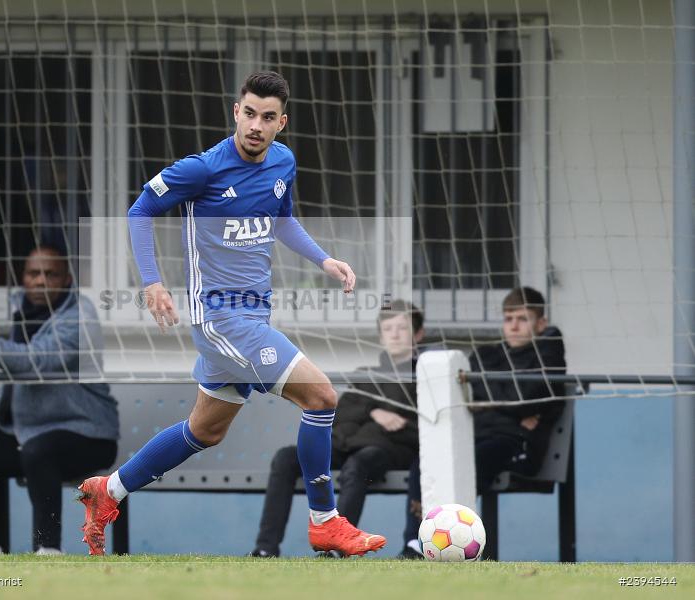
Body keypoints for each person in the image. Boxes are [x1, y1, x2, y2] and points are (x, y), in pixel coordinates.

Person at [78, 71, 386, 558]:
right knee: (322, 396)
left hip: (252, 318)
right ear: (235, 112)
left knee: (206, 430)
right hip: (220, 319)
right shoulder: (202, 169)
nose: (256, 125)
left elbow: (280, 220)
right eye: (248, 113)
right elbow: (139, 211)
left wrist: (323, 259)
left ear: (281, 123)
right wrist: (153, 282)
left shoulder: (282, 162)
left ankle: (108, 492)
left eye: (267, 117)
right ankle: (325, 521)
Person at [0, 246, 119, 555]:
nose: (40, 281)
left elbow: (35, 362)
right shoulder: (23, 313)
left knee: (39, 450)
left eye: (50, 274)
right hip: (30, 437)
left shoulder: (79, 315)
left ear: (67, 279)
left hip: (88, 435)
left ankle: (48, 549)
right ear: (23, 278)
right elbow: (18, 382)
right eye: (33, 273)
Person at [400, 286, 566, 558]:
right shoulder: (486, 354)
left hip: (515, 443)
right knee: (424, 462)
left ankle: (454, 545)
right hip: (479, 432)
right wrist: (507, 401)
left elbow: (523, 396)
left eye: (522, 319)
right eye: (508, 318)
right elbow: (478, 394)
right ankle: (414, 543)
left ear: (541, 323)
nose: (513, 326)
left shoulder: (547, 354)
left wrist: (491, 396)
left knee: (472, 463)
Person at [250, 300, 424, 557]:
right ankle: (266, 548)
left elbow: (422, 428)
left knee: (359, 463)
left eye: (403, 327)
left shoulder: (423, 376)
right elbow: (340, 416)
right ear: (380, 335)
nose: (395, 334)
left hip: (387, 449)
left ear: (417, 333)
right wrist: (374, 412)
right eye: (389, 328)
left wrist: (386, 419)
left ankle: (337, 547)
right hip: (346, 443)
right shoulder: (365, 375)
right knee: (286, 458)